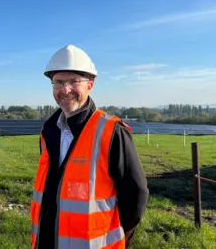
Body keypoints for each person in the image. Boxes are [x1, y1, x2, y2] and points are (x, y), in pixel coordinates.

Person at [30, 45, 149, 249]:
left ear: (90, 85)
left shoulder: (112, 132)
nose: (65, 90)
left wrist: (115, 235)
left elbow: (135, 199)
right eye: (58, 82)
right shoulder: (48, 131)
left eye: (74, 81)